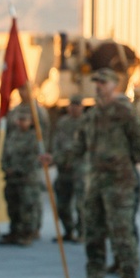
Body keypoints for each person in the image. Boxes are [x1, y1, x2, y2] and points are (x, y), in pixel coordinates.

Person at [54, 67, 140, 278]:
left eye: (103, 83)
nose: (98, 87)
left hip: (120, 183)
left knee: (122, 234)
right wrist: (54, 159)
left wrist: (127, 162)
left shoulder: (124, 111)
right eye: (96, 82)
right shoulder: (92, 115)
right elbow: (79, 146)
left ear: (115, 85)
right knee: (93, 233)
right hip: (95, 183)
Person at [1, 107, 41, 246]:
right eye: (19, 120)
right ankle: (14, 231)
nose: (21, 122)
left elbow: (33, 158)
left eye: (24, 120)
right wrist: (6, 167)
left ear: (30, 122)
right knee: (13, 206)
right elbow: (5, 154)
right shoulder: (13, 136)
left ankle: (27, 233)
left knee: (27, 207)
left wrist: (17, 169)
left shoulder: (34, 137)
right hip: (12, 178)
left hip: (26, 178)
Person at [49, 95, 87, 242]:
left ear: (82, 107)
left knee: (81, 204)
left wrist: (74, 159)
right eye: (71, 105)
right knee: (62, 204)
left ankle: (82, 232)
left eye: (77, 105)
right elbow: (56, 143)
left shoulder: (87, 123)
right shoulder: (63, 122)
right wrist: (58, 159)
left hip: (80, 169)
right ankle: (68, 230)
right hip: (63, 168)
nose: (73, 108)